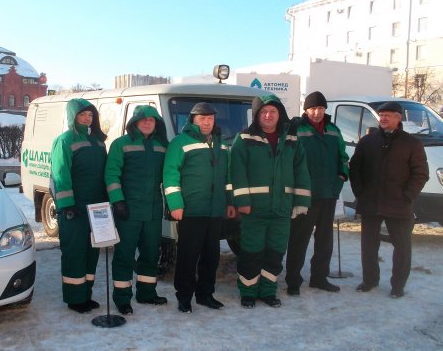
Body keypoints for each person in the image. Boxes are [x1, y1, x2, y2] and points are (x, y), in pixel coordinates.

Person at [231, 94, 311, 309]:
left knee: (275, 252)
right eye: (263, 112)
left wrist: (301, 200)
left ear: (279, 114)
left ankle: (267, 291)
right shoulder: (244, 139)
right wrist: (242, 201)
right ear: (257, 116)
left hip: (282, 209)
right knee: (251, 252)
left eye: (272, 112)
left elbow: (301, 170)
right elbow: (236, 173)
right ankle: (248, 292)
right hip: (254, 209)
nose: (268, 115)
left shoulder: (292, 139)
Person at [349, 101, 428, 298]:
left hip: (399, 204)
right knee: (369, 245)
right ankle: (369, 280)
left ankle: (397, 286)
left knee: (402, 247)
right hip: (371, 202)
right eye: (381, 115)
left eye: (388, 115)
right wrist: (360, 192)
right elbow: (355, 169)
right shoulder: (367, 141)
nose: (383, 118)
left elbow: (420, 174)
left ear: (399, 118)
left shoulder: (412, 143)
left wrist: (407, 196)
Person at [163, 102, 235, 313]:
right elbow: (170, 175)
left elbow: (228, 176)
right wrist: (175, 204)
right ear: (193, 120)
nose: (207, 122)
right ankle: (184, 297)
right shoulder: (180, 143)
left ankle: (205, 294)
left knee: (211, 256)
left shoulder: (221, 144)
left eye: (210, 118)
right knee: (188, 256)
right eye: (202, 118)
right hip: (191, 210)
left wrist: (229, 202)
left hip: (215, 211)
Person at [105, 105, 168, 315]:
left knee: (151, 253)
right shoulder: (121, 144)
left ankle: (147, 293)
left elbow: (169, 176)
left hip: (153, 211)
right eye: (143, 120)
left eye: (152, 120)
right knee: (124, 254)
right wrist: (118, 201)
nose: (148, 123)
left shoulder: (162, 145)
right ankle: (122, 298)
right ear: (134, 122)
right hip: (129, 211)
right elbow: (112, 175)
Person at [285, 91, 349, 295]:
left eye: (320, 108)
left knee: (325, 240)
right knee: (299, 239)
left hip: (329, 194)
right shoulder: (296, 128)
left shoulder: (333, 130)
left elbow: (343, 157)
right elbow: (288, 158)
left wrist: (341, 176)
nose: (317, 112)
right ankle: (293, 281)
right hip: (306, 195)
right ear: (306, 110)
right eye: (313, 108)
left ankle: (319, 277)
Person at [51, 98, 107, 313]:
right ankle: (75, 298)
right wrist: (66, 205)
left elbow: (103, 175)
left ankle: (86, 293)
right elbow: (60, 173)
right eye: (82, 114)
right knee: (74, 252)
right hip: (74, 209)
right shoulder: (64, 140)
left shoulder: (98, 142)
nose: (87, 118)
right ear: (72, 116)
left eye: (90, 115)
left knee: (92, 252)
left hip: (96, 207)